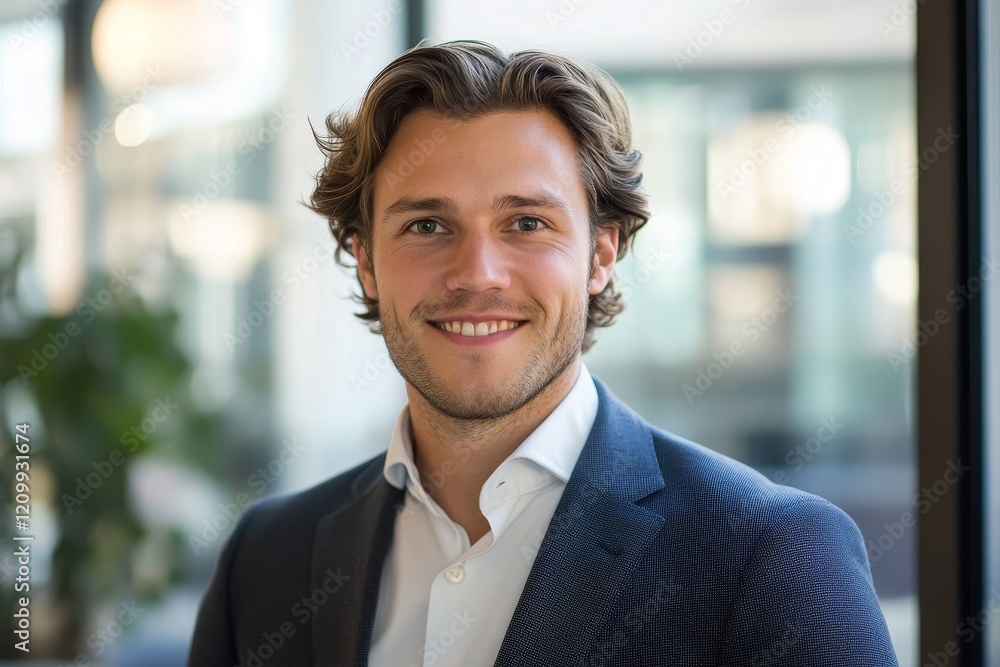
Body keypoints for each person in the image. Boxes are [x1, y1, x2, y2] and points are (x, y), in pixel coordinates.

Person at [188, 40, 899, 666]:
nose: (477, 274)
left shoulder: (771, 556)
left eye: (526, 222)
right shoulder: (266, 558)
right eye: (427, 225)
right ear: (367, 261)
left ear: (601, 255)